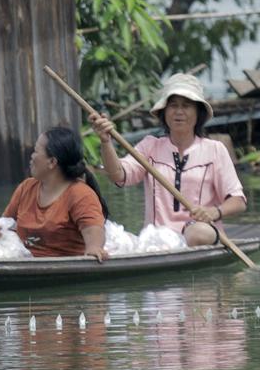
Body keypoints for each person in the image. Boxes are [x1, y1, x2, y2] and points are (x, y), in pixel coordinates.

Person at [90, 73, 246, 247]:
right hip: (156, 239)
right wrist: (105, 141)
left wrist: (214, 212)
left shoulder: (214, 150)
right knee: (104, 235)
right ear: (164, 112)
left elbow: (238, 201)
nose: (179, 112)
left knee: (198, 233)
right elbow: (118, 175)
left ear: (198, 113)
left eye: (186, 106)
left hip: (199, 235)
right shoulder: (150, 146)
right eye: (173, 106)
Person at [0, 126, 109, 262]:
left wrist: (94, 248)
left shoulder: (80, 194)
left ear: (52, 162)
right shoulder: (26, 188)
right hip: (27, 261)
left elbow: (93, 232)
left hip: (64, 266)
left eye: (35, 151)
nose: (31, 157)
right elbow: (6, 224)